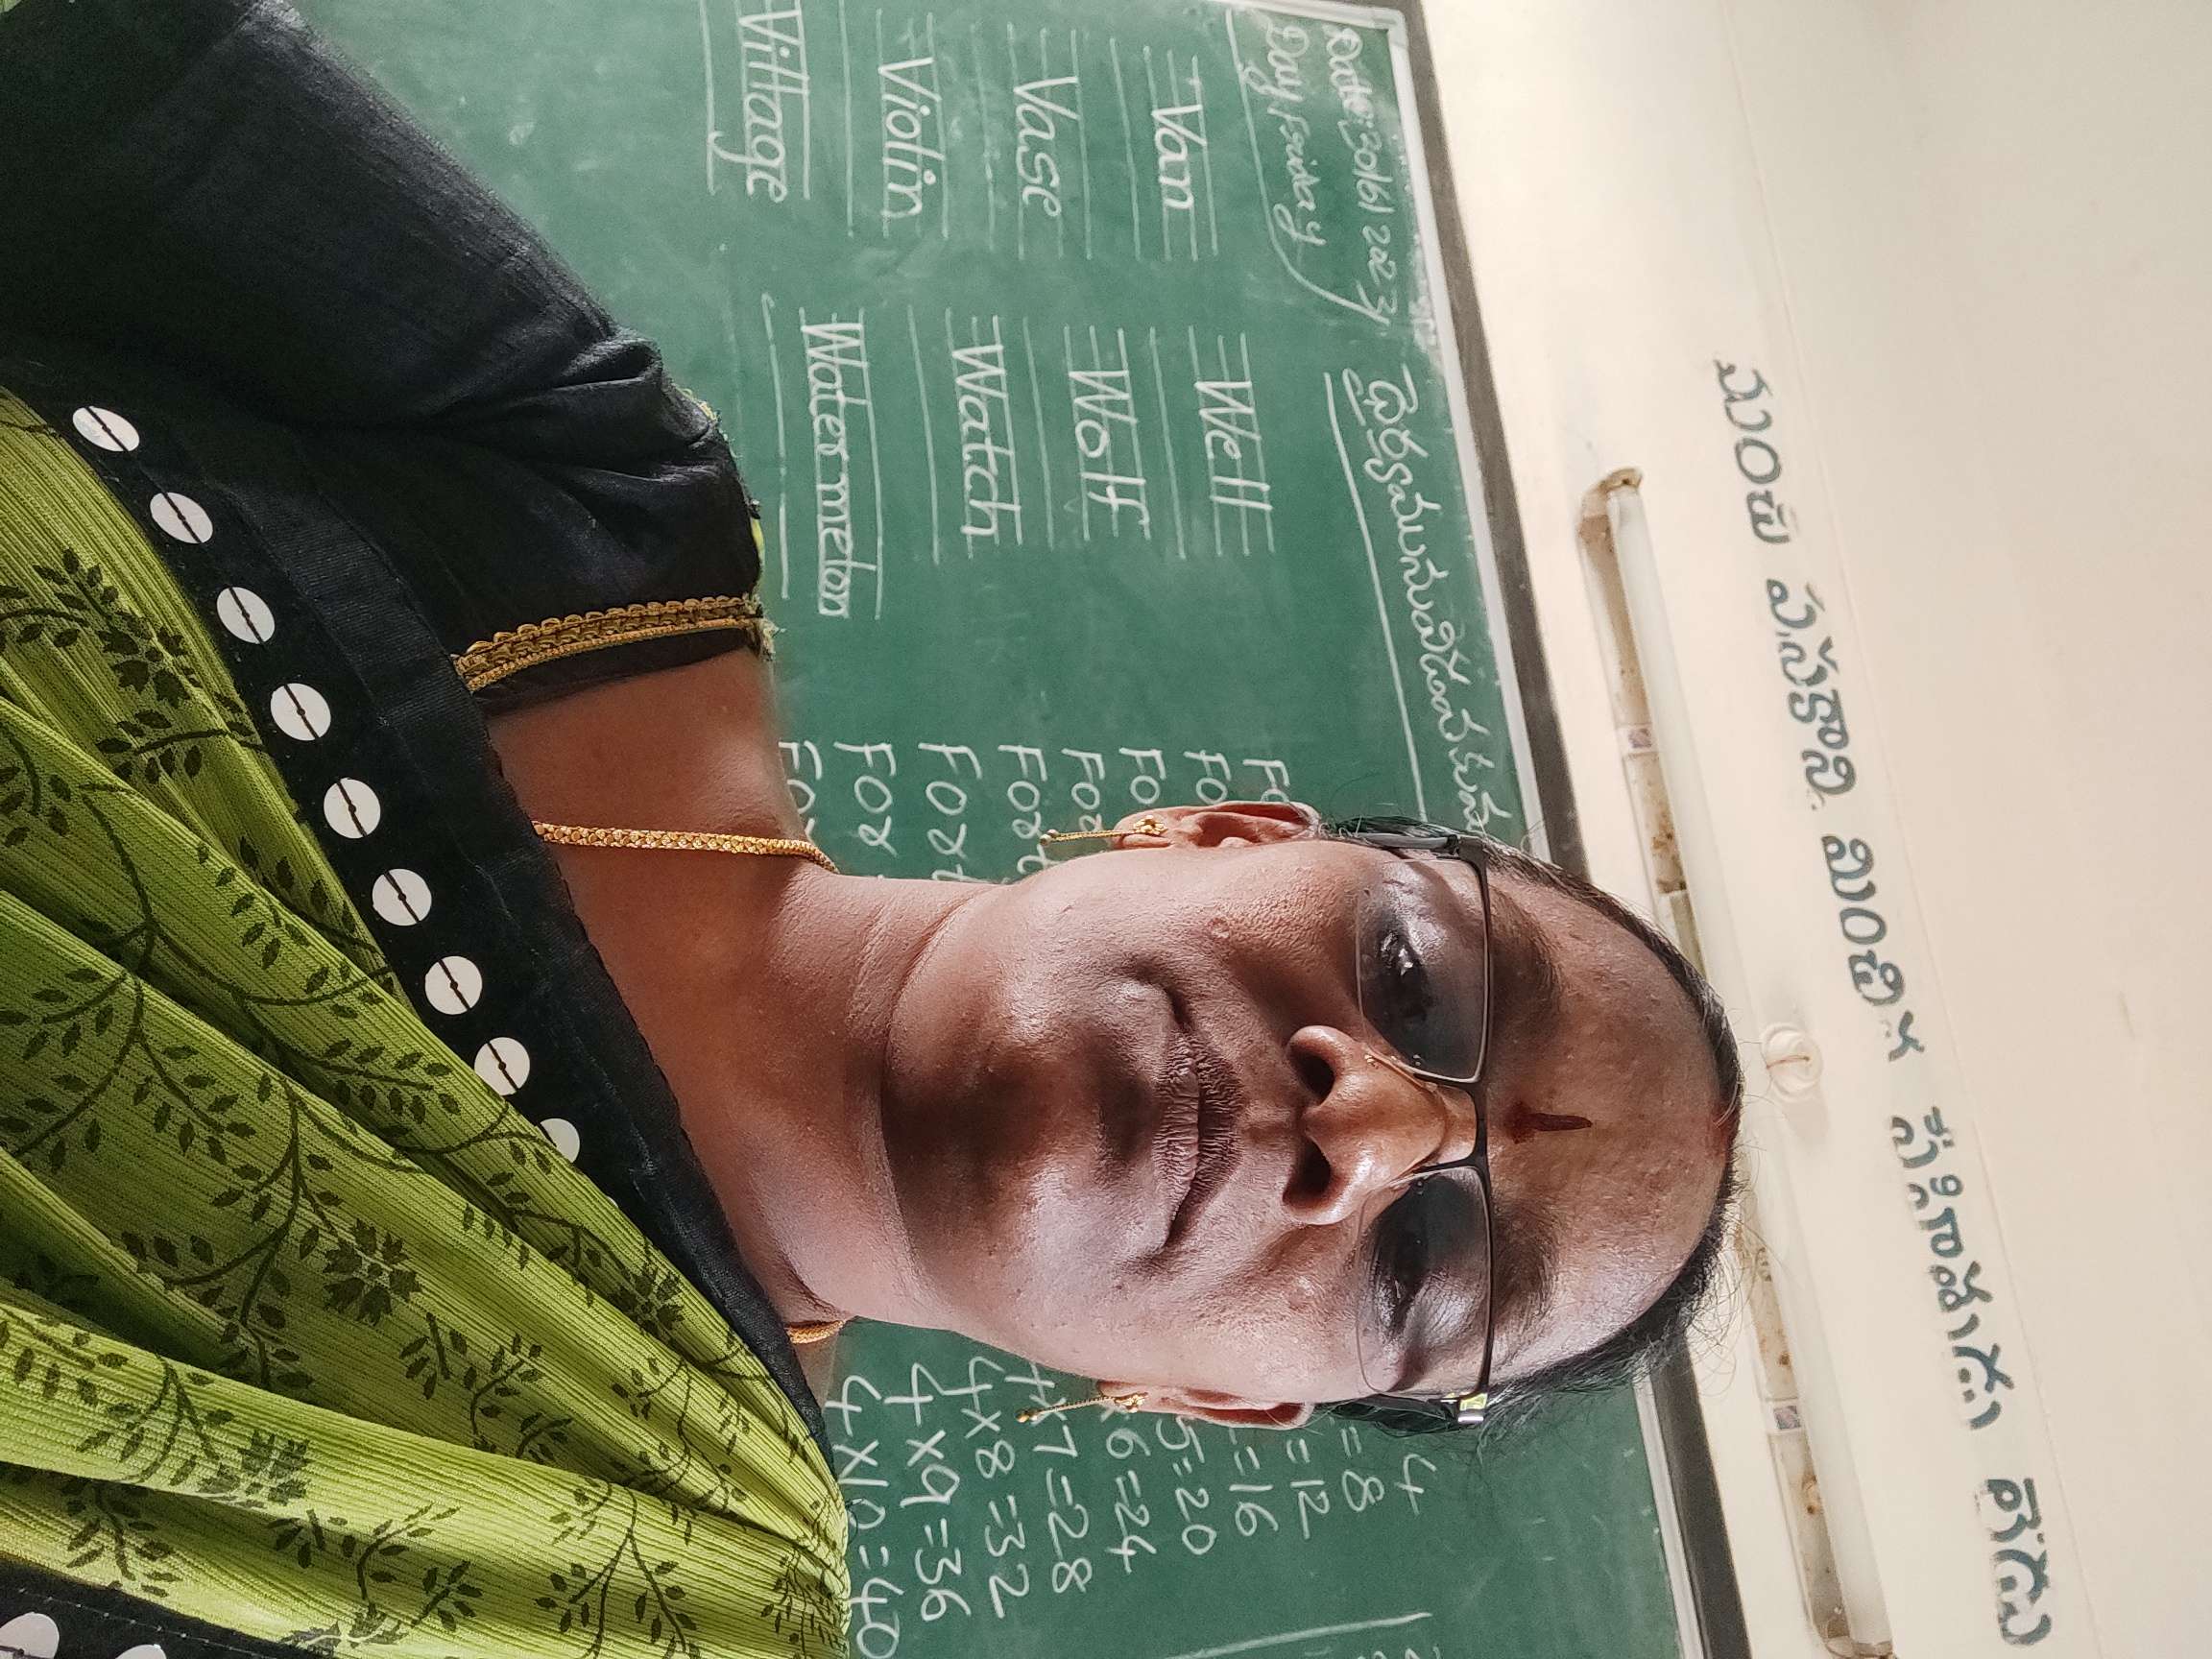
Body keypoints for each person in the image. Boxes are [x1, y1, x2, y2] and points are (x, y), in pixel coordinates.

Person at [0, 1, 1740, 1653]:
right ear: (1218, 835)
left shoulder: (643, 1609)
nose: (1359, 1124)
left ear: (1217, 1397)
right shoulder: (582, 496)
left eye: (1425, 1268)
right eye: (1415, 980)